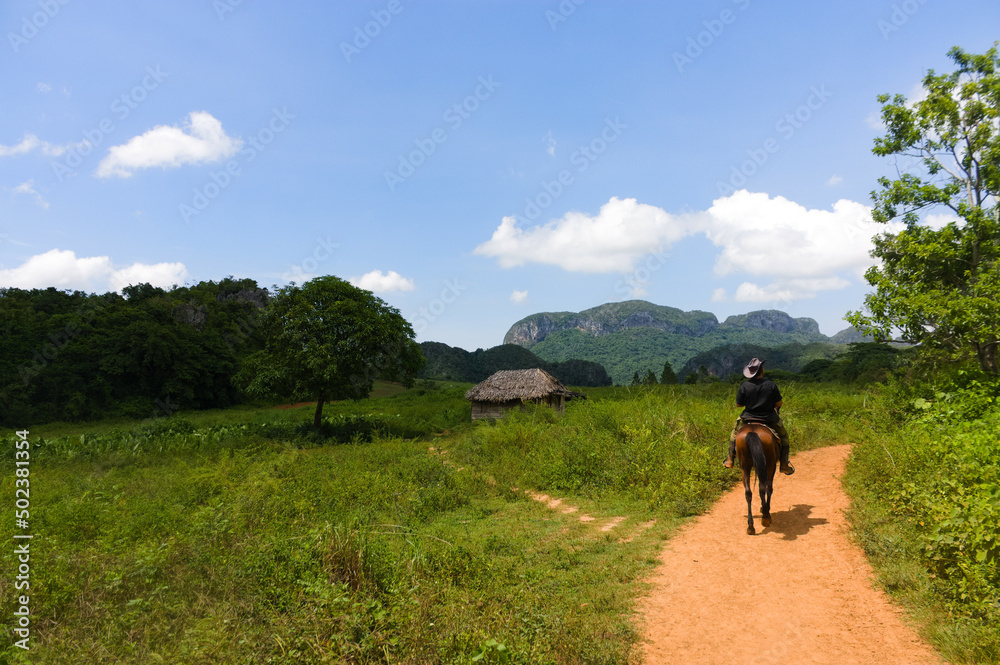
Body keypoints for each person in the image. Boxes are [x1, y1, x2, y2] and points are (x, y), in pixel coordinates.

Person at [722, 358, 795, 475]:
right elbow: (779, 403)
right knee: (784, 436)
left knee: (734, 434)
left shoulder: (745, 385)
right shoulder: (771, 385)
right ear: (762, 371)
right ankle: (784, 464)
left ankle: (730, 459)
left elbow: (738, 404)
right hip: (769, 417)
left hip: (748, 417)